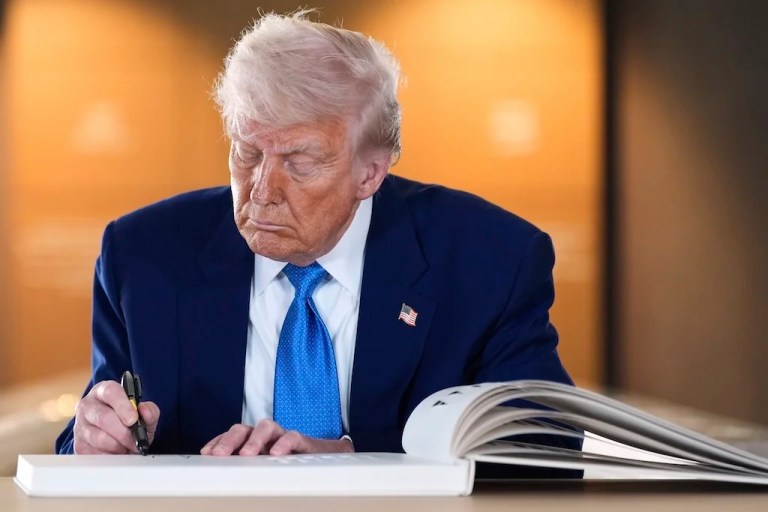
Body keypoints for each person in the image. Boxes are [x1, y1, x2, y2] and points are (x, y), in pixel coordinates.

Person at [55, 12, 580, 475]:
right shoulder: (143, 256)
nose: (261, 191)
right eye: (246, 152)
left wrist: (358, 463)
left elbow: (547, 450)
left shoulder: (490, 260)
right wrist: (94, 440)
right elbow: (95, 440)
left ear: (371, 172)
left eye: (300, 163)